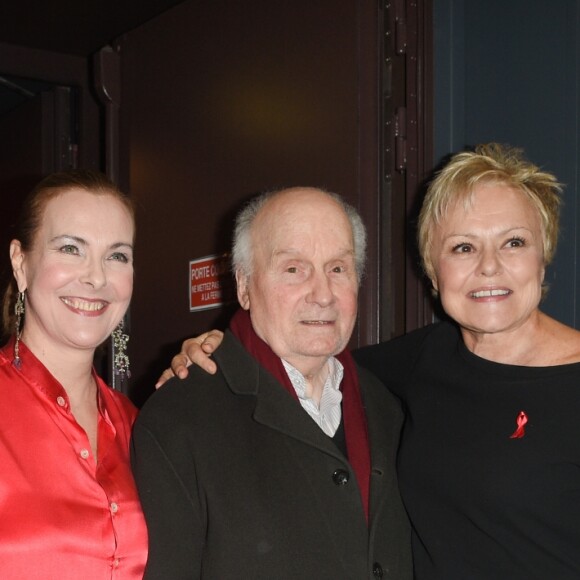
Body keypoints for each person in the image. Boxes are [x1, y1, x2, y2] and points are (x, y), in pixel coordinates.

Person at [164, 143, 580, 579]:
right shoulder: (419, 361)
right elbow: (307, 354)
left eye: (514, 242)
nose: (489, 267)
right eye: (463, 248)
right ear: (433, 272)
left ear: (544, 254)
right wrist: (220, 346)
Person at [131, 187, 412, 579]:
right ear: (244, 286)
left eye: (338, 268)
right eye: (294, 269)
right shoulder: (179, 420)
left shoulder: (388, 406)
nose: (322, 294)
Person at [0, 171, 147, 578]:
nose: (97, 277)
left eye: (117, 256)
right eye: (70, 248)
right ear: (21, 263)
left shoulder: (142, 427)